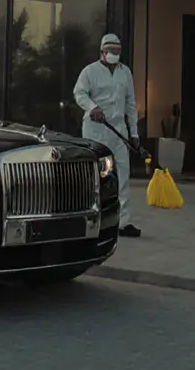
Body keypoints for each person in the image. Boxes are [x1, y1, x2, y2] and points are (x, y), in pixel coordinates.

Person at [73, 33, 141, 237]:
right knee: (95, 176)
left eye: (117, 51)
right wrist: (92, 107)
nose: (114, 55)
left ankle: (124, 221)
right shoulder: (90, 72)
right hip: (96, 132)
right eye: (110, 51)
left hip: (118, 132)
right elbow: (79, 93)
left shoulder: (125, 72)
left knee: (123, 175)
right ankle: (94, 220)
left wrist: (134, 133)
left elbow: (130, 103)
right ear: (102, 51)